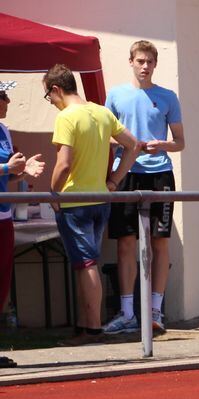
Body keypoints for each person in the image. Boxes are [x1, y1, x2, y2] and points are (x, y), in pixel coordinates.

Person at [45, 64, 142, 346]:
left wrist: (53, 194)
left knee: (86, 264)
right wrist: (113, 181)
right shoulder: (101, 111)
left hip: (76, 201)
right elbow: (133, 145)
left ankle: (93, 329)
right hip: (101, 199)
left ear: (56, 90)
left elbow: (63, 165)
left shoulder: (67, 116)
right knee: (87, 263)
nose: (50, 102)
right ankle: (87, 325)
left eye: (49, 97)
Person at [103, 41, 185, 335]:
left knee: (159, 242)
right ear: (131, 62)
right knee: (125, 242)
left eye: (149, 61)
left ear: (155, 64)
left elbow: (180, 142)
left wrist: (161, 145)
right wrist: (127, 145)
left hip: (159, 175)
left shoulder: (167, 97)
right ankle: (127, 313)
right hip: (125, 174)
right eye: (140, 61)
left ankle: (155, 311)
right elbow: (105, 136)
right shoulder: (115, 95)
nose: (145, 66)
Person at [1, 82, 45, 368]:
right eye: (3, 95)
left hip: (3, 217)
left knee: (2, 286)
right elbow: (5, 170)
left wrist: (22, 173)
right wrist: (7, 168)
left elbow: (8, 178)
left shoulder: (4, 130)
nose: (7, 100)